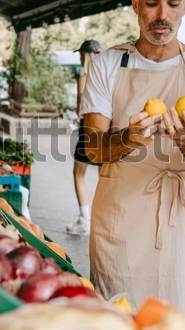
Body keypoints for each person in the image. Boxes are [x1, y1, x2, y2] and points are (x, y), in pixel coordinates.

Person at [80, 0, 185, 324]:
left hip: (177, 225)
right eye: (151, 3)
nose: (163, 15)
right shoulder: (106, 64)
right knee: (116, 319)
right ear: (134, 4)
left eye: (173, 3)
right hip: (119, 222)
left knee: (173, 319)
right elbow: (93, 148)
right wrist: (129, 137)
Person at [66, 40, 103, 236]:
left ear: (87, 56)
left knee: (78, 174)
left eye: (81, 55)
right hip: (105, 130)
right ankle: (101, 220)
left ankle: (84, 220)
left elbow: (81, 108)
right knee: (103, 178)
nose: (80, 59)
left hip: (88, 129)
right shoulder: (108, 77)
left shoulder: (84, 76)